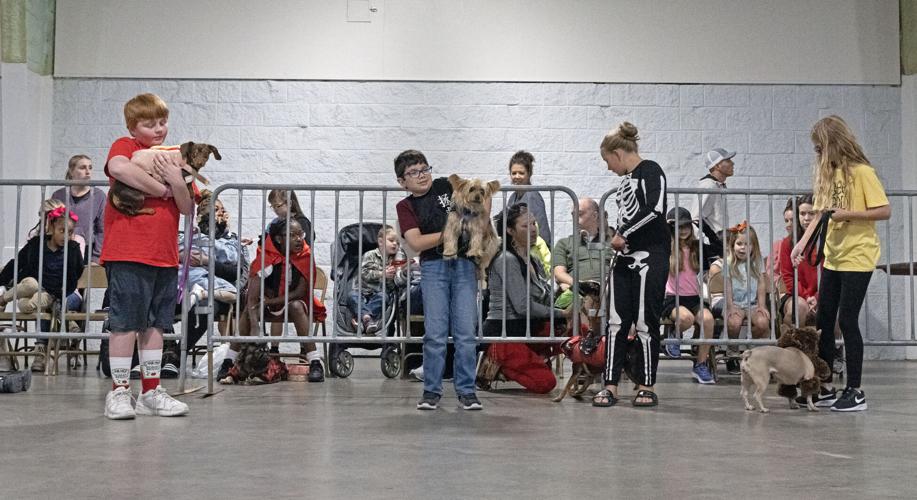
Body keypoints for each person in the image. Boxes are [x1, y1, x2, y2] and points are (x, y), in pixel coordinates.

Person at [99, 93, 192, 419]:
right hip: (128, 251)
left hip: (164, 255)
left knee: (155, 324)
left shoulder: (174, 157)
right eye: (149, 124)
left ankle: (151, 390)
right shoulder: (126, 146)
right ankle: (119, 391)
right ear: (132, 126)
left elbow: (187, 206)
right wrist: (162, 188)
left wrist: (177, 182)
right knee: (125, 323)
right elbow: (118, 168)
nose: (158, 129)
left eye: (162, 122)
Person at [791, 115, 890, 412]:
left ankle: (855, 390)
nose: (818, 154)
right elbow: (821, 213)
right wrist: (801, 243)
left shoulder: (862, 173)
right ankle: (825, 385)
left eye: (821, 148)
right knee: (823, 320)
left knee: (847, 320)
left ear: (833, 144)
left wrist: (849, 215)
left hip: (858, 256)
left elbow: (884, 210)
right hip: (834, 256)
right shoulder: (827, 175)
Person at [394, 150, 482, 411]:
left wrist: (477, 219)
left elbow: (478, 198)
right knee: (435, 332)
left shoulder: (445, 185)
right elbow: (416, 242)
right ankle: (431, 390)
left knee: (466, 331)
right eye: (413, 173)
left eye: (424, 169)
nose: (421, 176)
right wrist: (449, 232)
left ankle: (467, 390)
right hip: (433, 266)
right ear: (402, 181)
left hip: (465, 263)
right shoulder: (405, 206)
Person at [592, 122, 670, 408]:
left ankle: (646, 383)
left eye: (607, 161)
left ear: (618, 153)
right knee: (616, 322)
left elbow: (655, 210)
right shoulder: (625, 180)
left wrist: (624, 232)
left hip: (651, 255)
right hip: (625, 257)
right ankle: (610, 384)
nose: (609, 168)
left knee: (646, 321)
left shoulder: (651, 170)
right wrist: (620, 235)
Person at [218, 218, 326, 383]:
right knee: (248, 311)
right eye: (292, 235)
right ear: (279, 239)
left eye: (300, 234)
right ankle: (228, 363)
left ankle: (315, 362)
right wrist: (256, 329)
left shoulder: (305, 254)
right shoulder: (266, 256)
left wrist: (270, 301)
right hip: (264, 301)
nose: (299, 239)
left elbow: (300, 291)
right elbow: (252, 297)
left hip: (289, 301)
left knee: (297, 307)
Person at [161, 190, 250, 378]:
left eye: (220, 209)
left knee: (204, 307)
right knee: (161, 299)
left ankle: (176, 357)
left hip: (216, 290)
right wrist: (180, 257)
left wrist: (206, 260)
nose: (217, 213)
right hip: (182, 285)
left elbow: (236, 272)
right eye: (212, 210)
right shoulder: (188, 236)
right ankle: (165, 350)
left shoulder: (232, 240)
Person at [480, 203, 564, 394]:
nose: (534, 229)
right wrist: (560, 313)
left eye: (534, 223)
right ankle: (495, 361)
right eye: (526, 226)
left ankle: (537, 357)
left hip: (528, 327)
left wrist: (571, 299)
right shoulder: (506, 259)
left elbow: (545, 297)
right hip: (505, 332)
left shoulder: (533, 258)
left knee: (579, 330)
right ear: (510, 230)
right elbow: (522, 307)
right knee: (546, 383)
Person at [0, 199, 84, 373]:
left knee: (53, 302)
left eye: (69, 231)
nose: (66, 235)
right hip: (37, 288)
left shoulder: (74, 245)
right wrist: (3, 282)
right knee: (30, 290)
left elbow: (77, 271)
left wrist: (59, 290)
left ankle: (42, 347)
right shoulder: (36, 243)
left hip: (65, 292)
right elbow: (19, 263)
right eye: (43, 217)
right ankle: (70, 323)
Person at [662, 207, 717, 384]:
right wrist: (665, 226)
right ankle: (673, 333)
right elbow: (653, 239)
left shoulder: (697, 247)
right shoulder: (666, 247)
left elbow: (719, 247)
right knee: (686, 318)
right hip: (673, 298)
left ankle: (700, 364)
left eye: (686, 226)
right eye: (679, 226)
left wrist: (704, 226)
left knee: (708, 320)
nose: (684, 230)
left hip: (693, 297)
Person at [708, 222, 771, 356]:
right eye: (739, 244)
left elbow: (761, 284)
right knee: (734, 322)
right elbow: (728, 285)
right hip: (735, 302)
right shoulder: (729, 262)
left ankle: (748, 344)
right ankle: (733, 347)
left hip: (752, 303)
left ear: (754, 246)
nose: (743, 248)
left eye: (747, 244)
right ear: (732, 245)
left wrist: (761, 305)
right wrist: (730, 306)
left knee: (763, 322)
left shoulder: (757, 261)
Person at [552, 197, 614, 309]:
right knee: (585, 297)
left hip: (608, 291)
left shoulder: (611, 243)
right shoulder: (565, 243)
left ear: (595, 216)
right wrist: (580, 285)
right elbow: (559, 273)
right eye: (573, 214)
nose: (575, 218)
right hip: (576, 291)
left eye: (580, 214)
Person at [348, 225, 408, 334]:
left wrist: (391, 277)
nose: (395, 244)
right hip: (361, 291)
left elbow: (392, 287)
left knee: (384, 298)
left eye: (398, 243)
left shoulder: (394, 261)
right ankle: (368, 319)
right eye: (391, 240)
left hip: (379, 294)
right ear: (380, 242)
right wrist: (382, 274)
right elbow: (364, 273)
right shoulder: (370, 255)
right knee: (352, 296)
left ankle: (362, 319)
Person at [52, 154, 106, 263]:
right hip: (60, 247)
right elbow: (50, 223)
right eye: (82, 168)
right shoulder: (59, 195)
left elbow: (102, 229)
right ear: (71, 171)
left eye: (90, 167)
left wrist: (96, 257)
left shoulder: (99, 195)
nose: (88, 171)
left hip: (87, 249)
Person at [779, 194, 819, 327]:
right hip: (797, 294)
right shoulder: (787, 243)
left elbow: (829, 276)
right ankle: (791, 346)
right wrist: (807, 296)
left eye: (811, 213)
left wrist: (817, 297)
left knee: (835, 311)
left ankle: (832, 348)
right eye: (802, 214)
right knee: (799, 307)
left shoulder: (828, 241)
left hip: (823, 293)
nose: (806, 219)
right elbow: (788, 277)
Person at [691, 148, 735, 262]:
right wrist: (710, 242)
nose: (732, 163)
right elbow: (695, 218)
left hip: (720, 244)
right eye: (728, 160)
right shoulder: (708, 186)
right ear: (717, 166)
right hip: (713, 248)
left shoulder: (717, 185)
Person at [503, 150, 552, 246]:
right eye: (513, 173)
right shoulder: (513, 197)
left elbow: (542, 231)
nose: (517, 176)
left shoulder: (532, 196)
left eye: (521, 173)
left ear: (529, 174)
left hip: (533, 251)